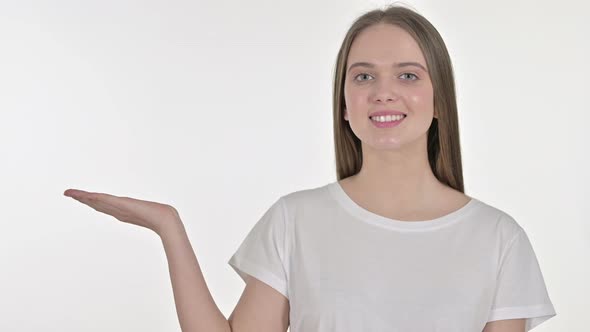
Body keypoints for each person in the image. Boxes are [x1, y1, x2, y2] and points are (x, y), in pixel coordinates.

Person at [63, 3, 556, 332]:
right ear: (344, 103)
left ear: (439, 99)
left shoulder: (498, 238)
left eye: (408, 75)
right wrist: (169, 228)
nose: (383, 91)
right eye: (363, 76)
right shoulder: (295, 221)